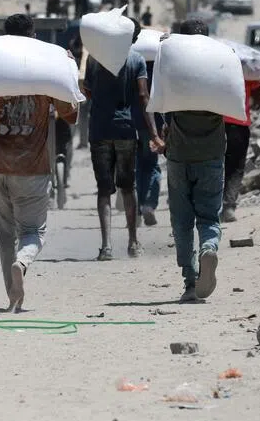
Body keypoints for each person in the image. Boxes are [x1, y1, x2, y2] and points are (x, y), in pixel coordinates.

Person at [0, 13, 78, 312]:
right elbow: (71, 115)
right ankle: (21, 264)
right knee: (33, 232)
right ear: (33, 35)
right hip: (32, 168)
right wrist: (70, 70)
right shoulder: (46, 67)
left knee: (4, 235)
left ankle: (12, 295)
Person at [82, 19, 162, 260]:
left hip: (99, 130)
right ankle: (133, 243)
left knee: (104, 190)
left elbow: (87, 91)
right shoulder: (136, 60)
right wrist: (155, 134)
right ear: (133, 38)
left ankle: (106, 247)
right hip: (126, 129)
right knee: (128, 188)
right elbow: (143, 96)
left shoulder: (94, 59)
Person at [156, 18, 223, 303]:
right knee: (208, 216)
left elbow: (159, 103)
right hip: (211, 154)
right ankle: (209, 248)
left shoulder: (174, 67)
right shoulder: (221, 64)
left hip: (179, 156)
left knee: (181, 221)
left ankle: (190, 282)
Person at [221, 76, 260, 223]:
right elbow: (259, 99)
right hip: (239, 124)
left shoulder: (215, 66)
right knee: (235, 168)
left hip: (215, 124)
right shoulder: (246, 72)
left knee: (215, 165)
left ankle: (211, 207)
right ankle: (228, 207)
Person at [137, 58, 165, 227]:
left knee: (138, 166)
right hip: (153, 122)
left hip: (132, 121)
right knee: (152, 165)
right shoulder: (159, 64)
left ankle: (137, 209)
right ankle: (148, 204)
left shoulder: (130, 61)